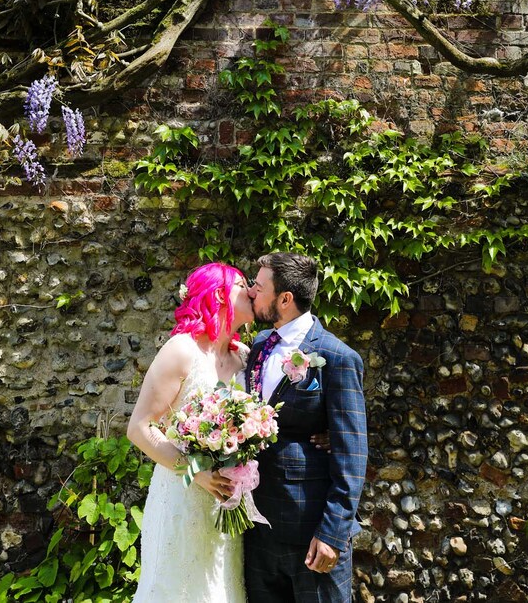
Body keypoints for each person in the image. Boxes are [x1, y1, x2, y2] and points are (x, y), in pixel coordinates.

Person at [127, 262, 254, 603]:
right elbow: (139, 428)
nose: (252, 291)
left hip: (227, 501)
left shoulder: (245, 358)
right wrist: (194, 472)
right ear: (218, 294)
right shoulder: (182, 350)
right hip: (182, 494)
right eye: (242, 285)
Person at [245, 252, 368, 603]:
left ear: (285, 299)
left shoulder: (337, 357)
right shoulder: (257, 347)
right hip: (258, 529)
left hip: (310, 531)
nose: (252, 292)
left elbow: (352, 455)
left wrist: (332, 533)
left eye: (258, 285)